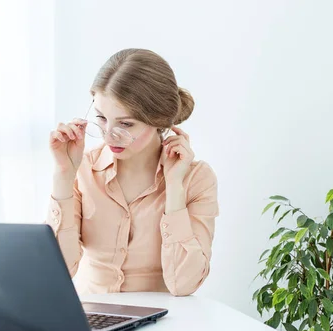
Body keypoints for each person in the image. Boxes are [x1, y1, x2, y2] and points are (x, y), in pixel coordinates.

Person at [46, 48, 219, 297]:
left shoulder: (196, 179)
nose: (109, 135)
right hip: (93, 319)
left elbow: (184, 284)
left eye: (126, 124)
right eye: (101, 118)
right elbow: (56, 273)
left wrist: (174, 187)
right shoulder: (82, 169)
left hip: (163, 324)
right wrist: (63, 176)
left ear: (159, 120)